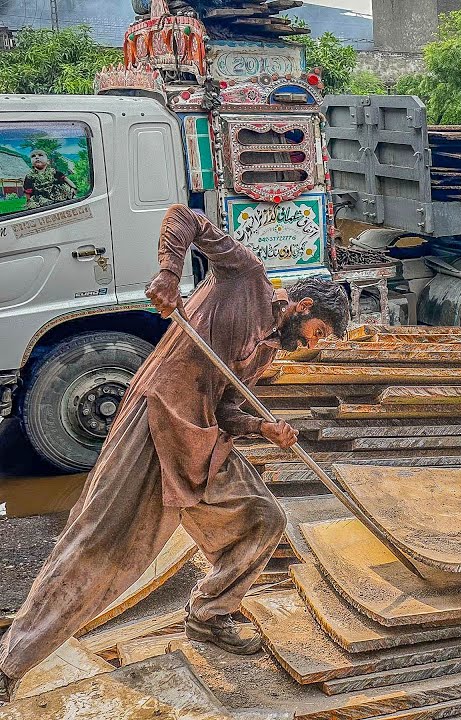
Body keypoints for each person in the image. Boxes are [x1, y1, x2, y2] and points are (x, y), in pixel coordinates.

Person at [0, 204, 350, 702]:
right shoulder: (245, 278)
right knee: (101, 546)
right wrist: (168, 274)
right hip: (157, 420)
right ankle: (11, 661)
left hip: (202, 439)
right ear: (302, 305)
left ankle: (210, 615)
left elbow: (227, 408)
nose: (313, 345)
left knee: (262, 519)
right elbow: (182, 217)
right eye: (319, 333)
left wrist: (261, 428)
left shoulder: (269, 348)